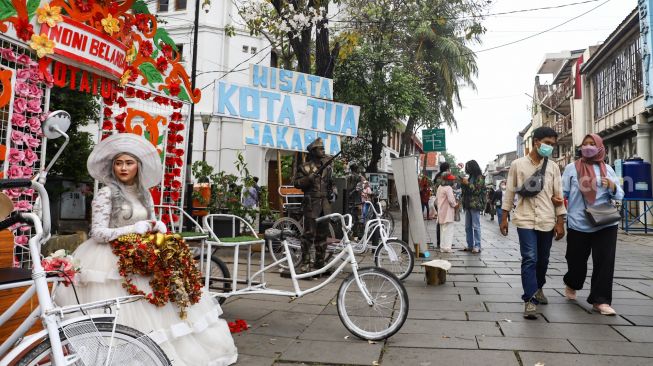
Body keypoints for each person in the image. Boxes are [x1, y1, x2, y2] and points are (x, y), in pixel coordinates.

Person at [57, 133, 238, 365]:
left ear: (137, 167)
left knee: (162, 307)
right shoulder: (106, 193)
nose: (123, 168)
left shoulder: (144, 193)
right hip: (110, 258)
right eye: (119, 163)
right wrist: (134, 228)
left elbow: (150, 222)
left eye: (129, 163)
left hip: (143, 255)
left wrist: (156, 227)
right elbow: (98, 233)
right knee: (125, 314)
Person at [500, 127, 566, 320]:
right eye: (547, 143)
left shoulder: (553, 167)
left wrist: (560, 220)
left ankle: (538, 288)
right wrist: (504, 217)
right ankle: (530, 300)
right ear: (536, 141)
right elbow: (510, 193)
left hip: (547, 219)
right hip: (525, 218)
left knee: (543, 260)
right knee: (530, 258)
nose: (550, 147)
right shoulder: (517, 165)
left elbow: (558, 196)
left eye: (553, 145)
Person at [562, 134, 624, 315]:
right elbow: (563, 192)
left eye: (592, 144)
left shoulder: (607, 168)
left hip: (604, 222)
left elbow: (620, 194)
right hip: (578, 222)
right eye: (585, 144)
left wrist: (612, 186)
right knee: (576, 262)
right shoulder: (571, 168)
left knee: (605, 262)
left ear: (599, 147)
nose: (588, 147)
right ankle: (572, 283)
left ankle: (601, 300)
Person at [293, 137, 335, 272]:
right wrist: (308, 179)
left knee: (323, 235)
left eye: (323, 148)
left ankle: (319, 262)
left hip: (324, 204)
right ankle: (305, 262)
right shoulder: (304, 167)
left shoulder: (327, 168)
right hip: (311, 203)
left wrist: (334, 190)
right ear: (313, 151)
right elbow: (297, 183)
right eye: (320, 149)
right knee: (309, 234)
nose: (323, 151)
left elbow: (331, 183)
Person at [461, 160, 485, 253]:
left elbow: (477, 191)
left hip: (475, 204)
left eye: (468, 167)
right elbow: (466, 190)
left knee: (476, 226)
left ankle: (477, 245)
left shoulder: (480, 178)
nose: (467, 169)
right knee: (467, 226)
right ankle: (470, 245)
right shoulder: (470, 177)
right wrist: (463, 184)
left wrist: (468, 184)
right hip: (467, 204)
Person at [436, 174, 459, 253]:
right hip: (448, 212)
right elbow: (451, 200)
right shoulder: (448, 188)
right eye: (452, 180)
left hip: (441, 211)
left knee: (442, 230)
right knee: (448, 230)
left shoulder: (439, 187)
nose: (453, 181)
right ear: (448, 181)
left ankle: (442, 247)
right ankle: (447, 248)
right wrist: (456, 205)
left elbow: (436, 200)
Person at [433, 162, 451, 248]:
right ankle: (443, 242)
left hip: (438, 202)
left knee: (440, 221)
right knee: (444, 223)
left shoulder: (437, 176)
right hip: (443, 202)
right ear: (447, 168)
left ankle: (440, 242)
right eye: (449, 168)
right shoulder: (444, 177)